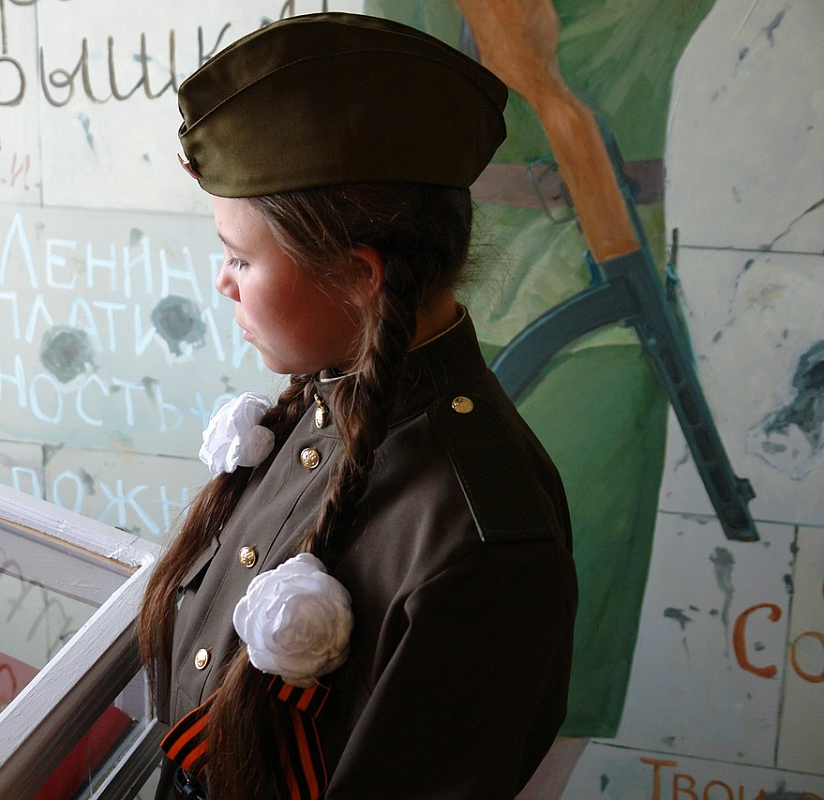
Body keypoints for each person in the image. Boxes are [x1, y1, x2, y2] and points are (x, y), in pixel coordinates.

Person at [137, 12, 578, 799]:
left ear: (358, 276)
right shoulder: (317, 406)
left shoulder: (483, 539)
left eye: (240, 258)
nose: (222, 283)